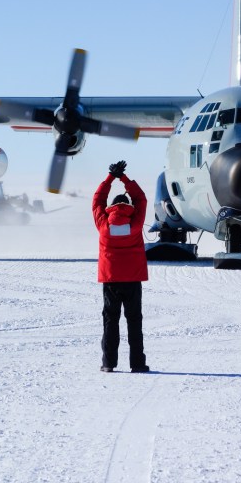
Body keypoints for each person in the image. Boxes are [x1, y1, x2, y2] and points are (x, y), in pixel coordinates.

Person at [92, 160, 150, 373]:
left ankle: (108, 363)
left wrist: (110, 177)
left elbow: (97, 200)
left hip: (111, 280)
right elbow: (141, 198)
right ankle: (137, 364)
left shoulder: (103, 224)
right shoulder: (135, 222)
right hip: (133, 279)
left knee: (110, 321)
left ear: (111, 208)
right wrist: (124, 178)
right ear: (128, 207)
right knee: (134, 321)